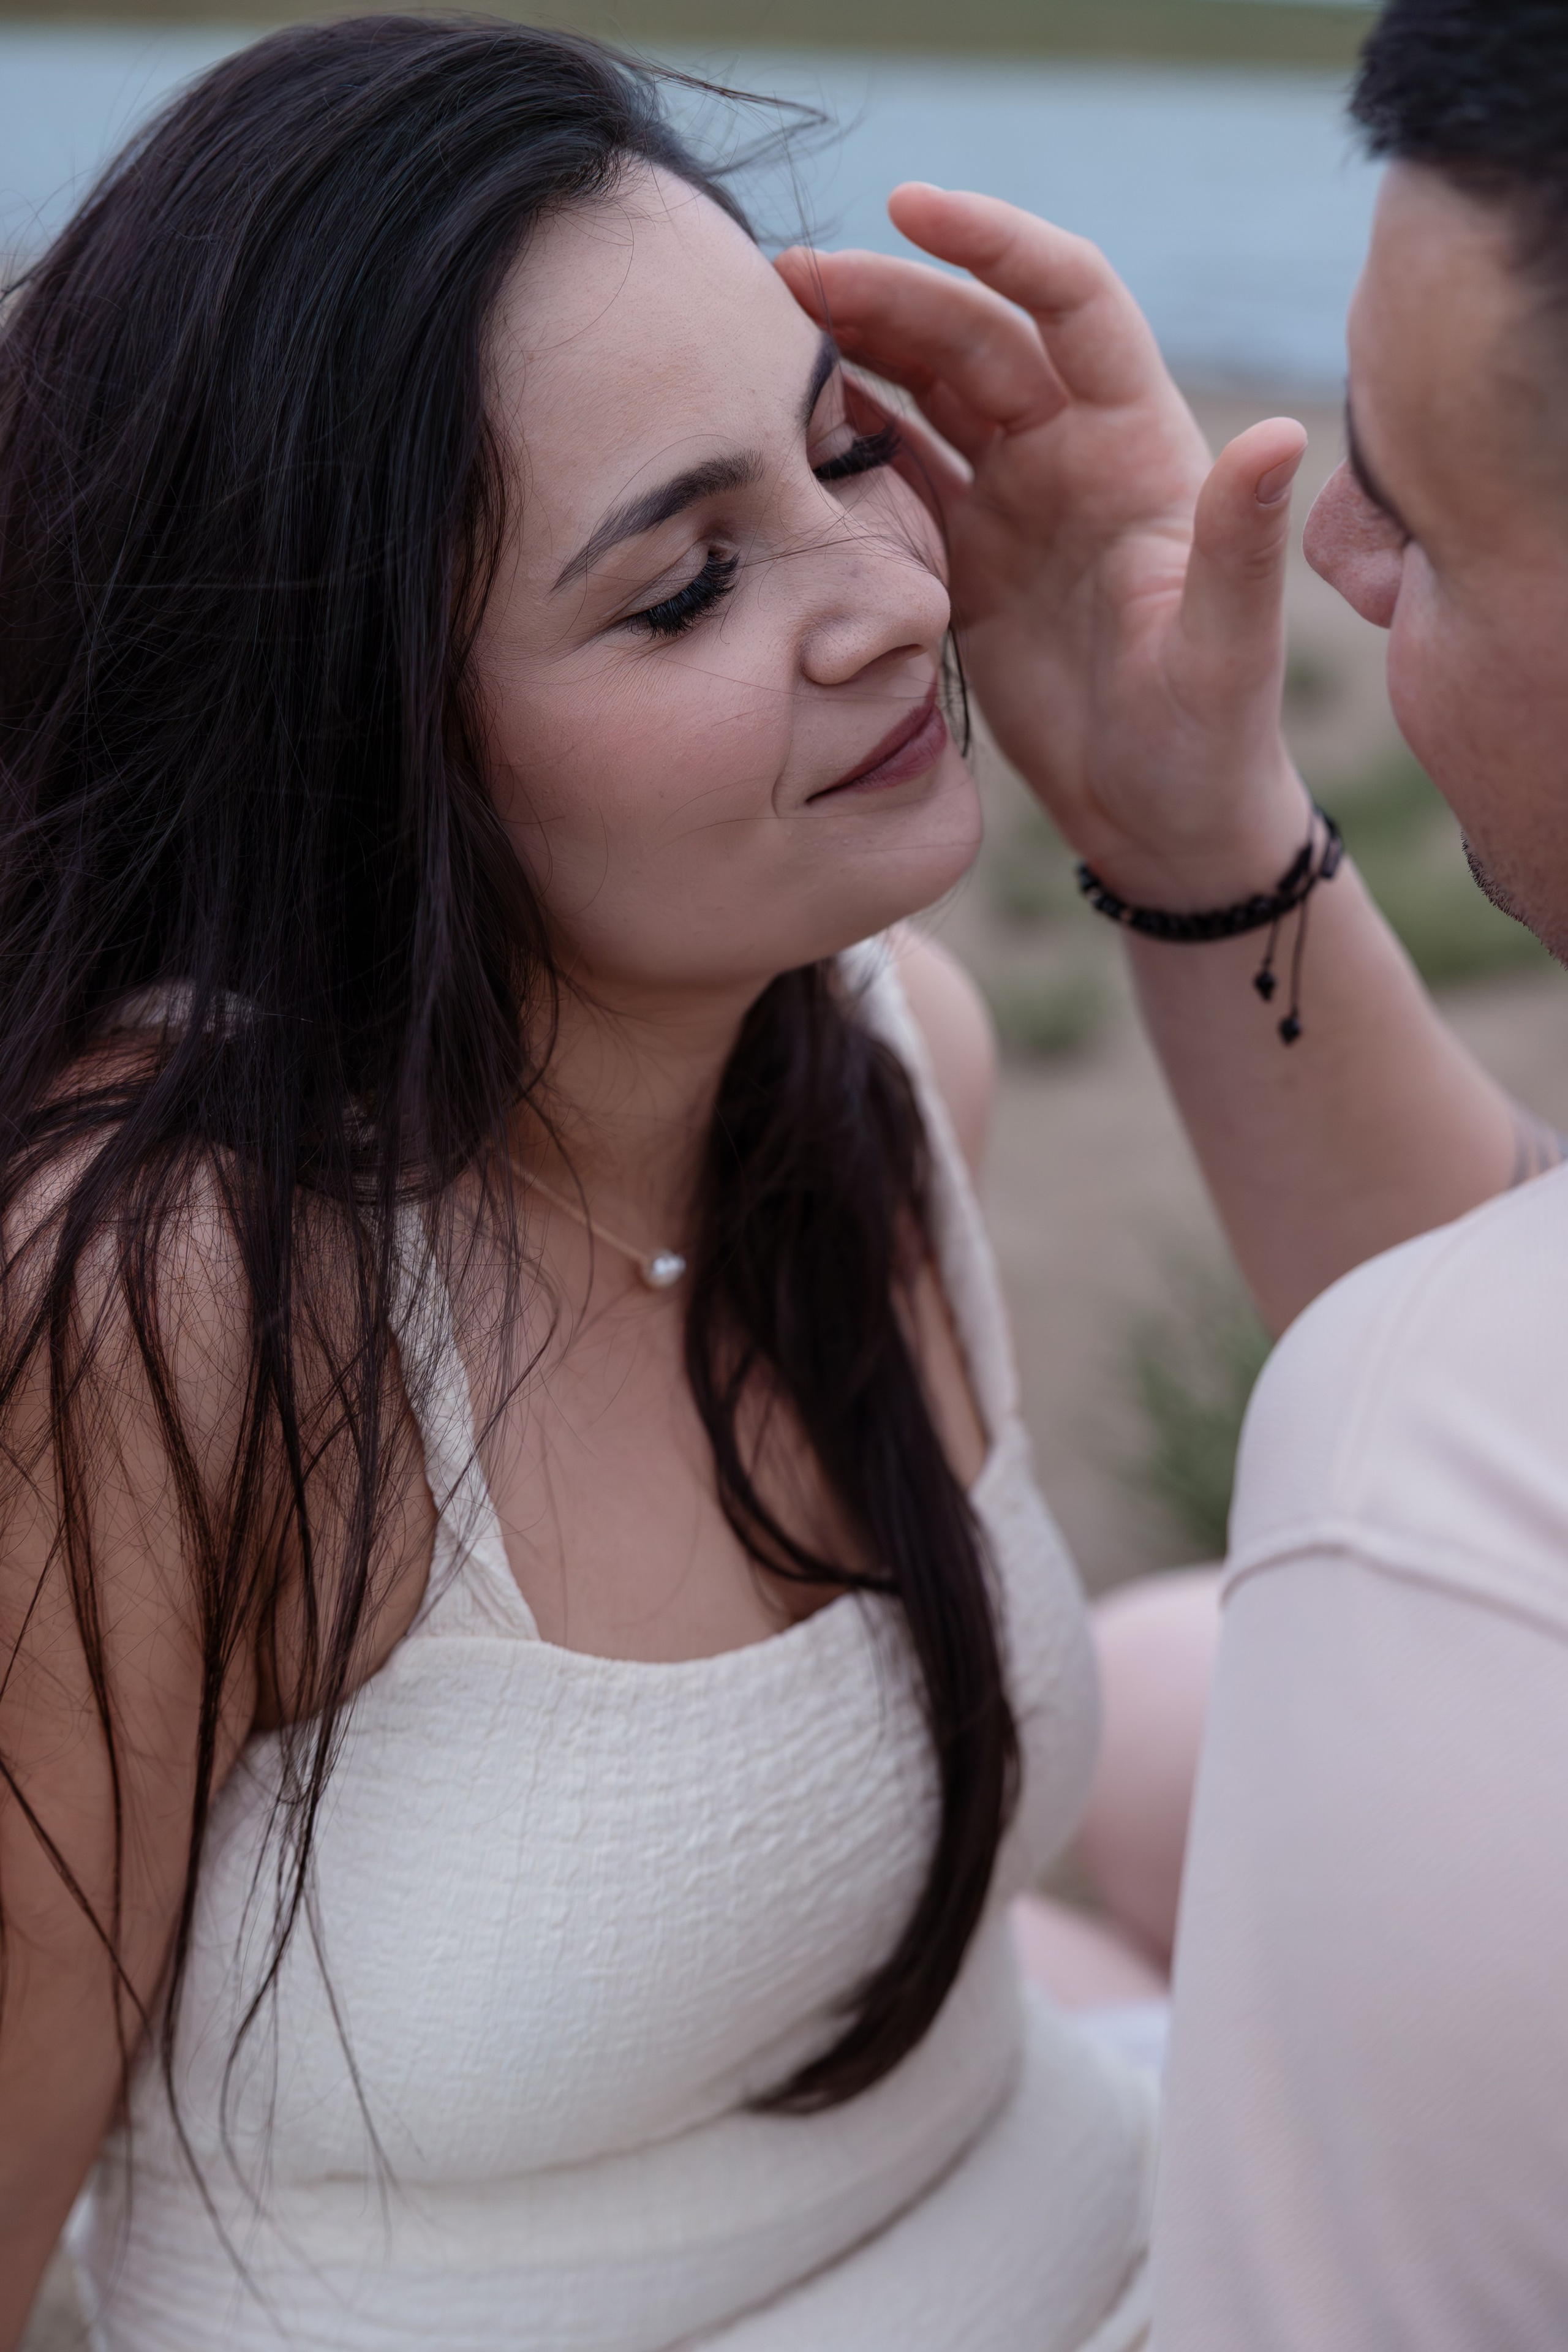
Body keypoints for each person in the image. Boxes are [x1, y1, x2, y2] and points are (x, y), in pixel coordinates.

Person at [1, 20, 1169, 2350]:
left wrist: (1198, 803)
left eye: (851, 454)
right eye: (683, 588)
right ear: (356, 732)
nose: (894, 602)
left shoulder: (888, 1063)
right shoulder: (180, 1297)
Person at [787, 0, 1568, 2342]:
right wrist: (1196, 838)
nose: (1319, 537)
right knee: (1150, 1693)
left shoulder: (1429, 1476)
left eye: (1413, 518)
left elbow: (1470, 1483)